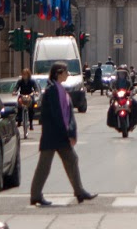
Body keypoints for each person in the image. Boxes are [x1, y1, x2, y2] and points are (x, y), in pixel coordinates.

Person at [28, 62, 96, 207]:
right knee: (46, 166)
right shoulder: (53, 90)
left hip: (56, 135)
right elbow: (58, 114)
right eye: (65, 72)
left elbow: (67, 112)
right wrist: (67, 132)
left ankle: (79, 192)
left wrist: (70, 130)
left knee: (69, 160)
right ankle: (37, 195)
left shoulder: (58, 89)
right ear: (58, 73)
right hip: (55, 135)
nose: (67, 74)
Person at [14, 69, 38, 136]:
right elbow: (16, 87)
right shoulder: (20, 81)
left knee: (31, 107)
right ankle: (19, 120)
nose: (24, 75)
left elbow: (35, 87)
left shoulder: (32, 81)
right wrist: (14, 91)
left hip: (29, 95)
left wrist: (36, 92)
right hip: (22, 95)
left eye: (26, 74)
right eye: (23, 74)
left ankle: (30, 124)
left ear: (28, 75)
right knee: (19, 106)